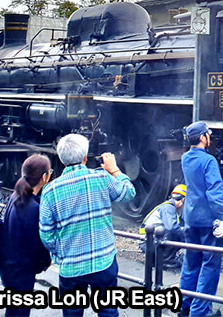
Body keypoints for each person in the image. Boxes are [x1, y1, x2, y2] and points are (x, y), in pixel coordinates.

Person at [39, 134, 135, 317]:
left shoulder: (50, 191)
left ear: (60, 158)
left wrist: (63, 252)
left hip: (71, 266)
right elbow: (129, 193)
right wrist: (114, 170)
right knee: (108, 310)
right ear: (85, 157)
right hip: (103, 261)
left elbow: (46, 235)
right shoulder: (101, 178)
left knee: (73, 313)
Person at [179, 122, 223, 317]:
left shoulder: (185, 158)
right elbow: (214, 192)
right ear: (202, 138)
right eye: (208, 134)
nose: (210, 136)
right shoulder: (209, 161)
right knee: (209, 265)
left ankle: (185, 305)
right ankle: (199, 312)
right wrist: (222, 216)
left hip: (190, 218)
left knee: (191, 262)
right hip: (208, 220)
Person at [0, 154, 53, 317]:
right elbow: (37, 243)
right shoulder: (32, 207)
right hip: (21, 269)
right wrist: (44, 261)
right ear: (44, 177)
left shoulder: (16, 196)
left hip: (9, 265)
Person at [140, 184, 186, 269]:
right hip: (148, 243)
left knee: (179, 231)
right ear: (183, 200)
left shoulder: (174, 209)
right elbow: (172, 228)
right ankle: (166, 261)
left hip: (151, 241)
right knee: (173, 231)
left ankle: (158, 259)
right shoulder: (168, 208)